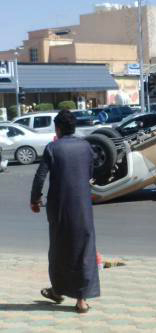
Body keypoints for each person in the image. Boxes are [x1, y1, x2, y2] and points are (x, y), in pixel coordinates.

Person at [30, 110, 100, 313]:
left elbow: (40, 177)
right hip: (82, 208)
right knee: (84, 250)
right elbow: (90, 172)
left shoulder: (53, 147)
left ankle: (58, 291)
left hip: (59, 208)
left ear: (58, 128)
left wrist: (35, 200)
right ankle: (81, 301)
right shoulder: (86, 146)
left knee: (59, 250)